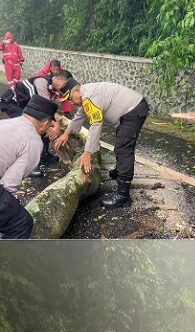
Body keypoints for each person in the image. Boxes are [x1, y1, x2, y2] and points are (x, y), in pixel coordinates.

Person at [52, 73, 149, 209]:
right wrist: (66, 134)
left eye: (70, 99)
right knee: (123, 141)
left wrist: (87, 152)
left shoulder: (89, 97)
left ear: (76, 91)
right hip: (132, 109)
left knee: (124, 148)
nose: (71, 103)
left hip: (133, 110)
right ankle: (121, 171)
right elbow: (79, 116)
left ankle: (123, 196)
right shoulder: (85, 95)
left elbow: (96, 125)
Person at [0, 95, 58, 238]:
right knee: (21, 223)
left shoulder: (6, 123)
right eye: (49, 125)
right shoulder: (34, 141)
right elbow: (8, 185)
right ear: (44, 124)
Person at [0, 70, 64, 177]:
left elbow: (47, 113)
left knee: (42, 127)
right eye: (64, 86)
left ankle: (43, 154)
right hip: (11, 103)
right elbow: (41, 110)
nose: (64, 91)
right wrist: (56, 124)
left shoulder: (52, 88)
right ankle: (26, 166)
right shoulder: (40, 83)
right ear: (59, 80)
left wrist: (53, 123)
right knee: (30, 129)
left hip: (25, 105)